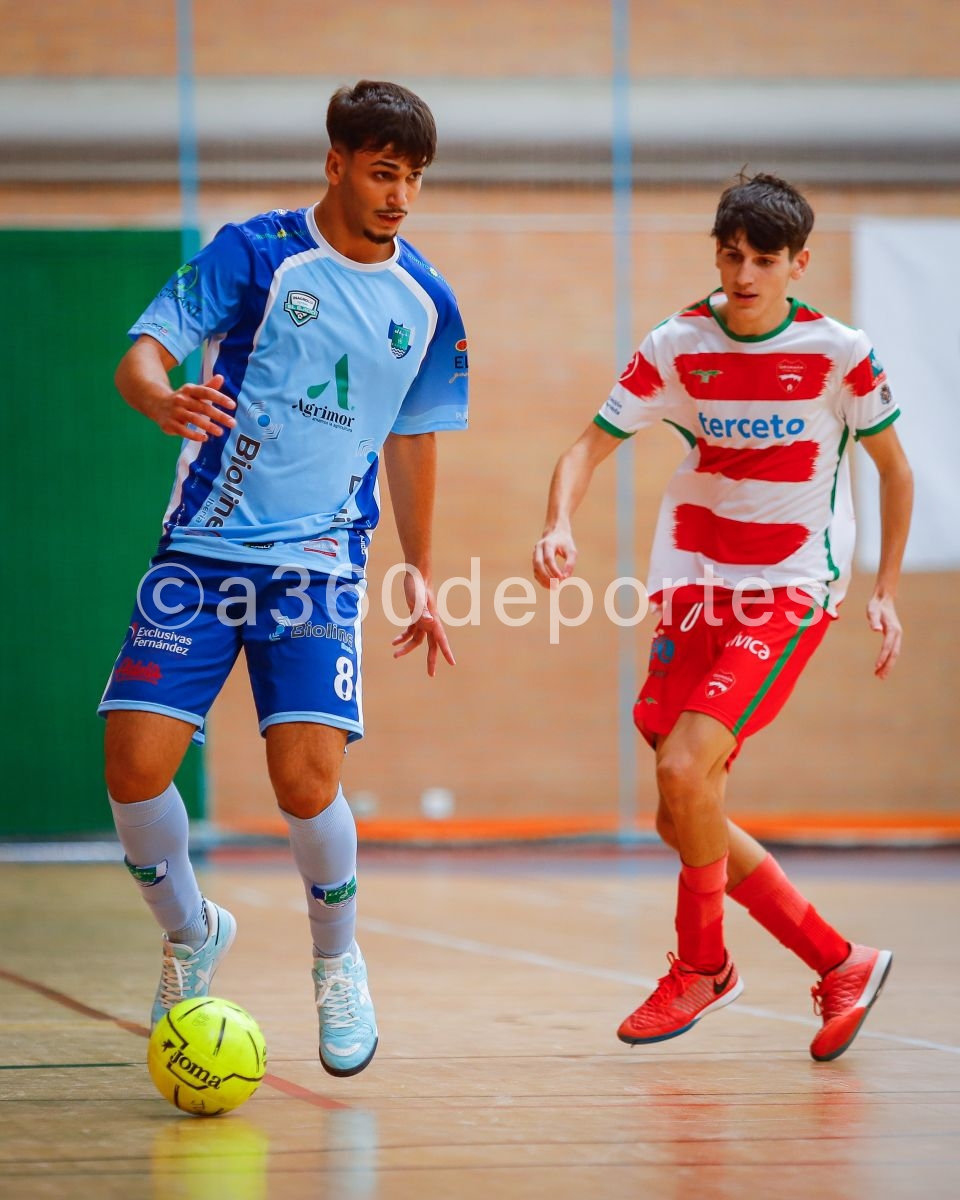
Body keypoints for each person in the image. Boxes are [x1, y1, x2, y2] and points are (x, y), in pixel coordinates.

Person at [99, 80, 468, 1078]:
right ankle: (189, 935)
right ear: (337, 162)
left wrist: (422, 572)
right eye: (384, 172)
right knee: (133, 769)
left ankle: (336, 962)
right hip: (202, 552)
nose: (399, 195)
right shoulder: (254, 251)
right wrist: (158, 400)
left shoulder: (427, 302)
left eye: (415, 178)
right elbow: (146, 350)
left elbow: (418, 438)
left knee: (306, 783)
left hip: (316, 566)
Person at [532, 172, 912, 1062]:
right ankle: (838, 960)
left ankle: (703, 968)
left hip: (789, 584)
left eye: (764, 260)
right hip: (696, 580)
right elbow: (587, 446)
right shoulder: (677, 343)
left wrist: (884, 587)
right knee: (683, 807)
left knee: (684, 768)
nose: (744, 274)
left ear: (798, 264)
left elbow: (895, 471)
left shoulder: (838, 352)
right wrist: (557, 522)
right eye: (731, 255)